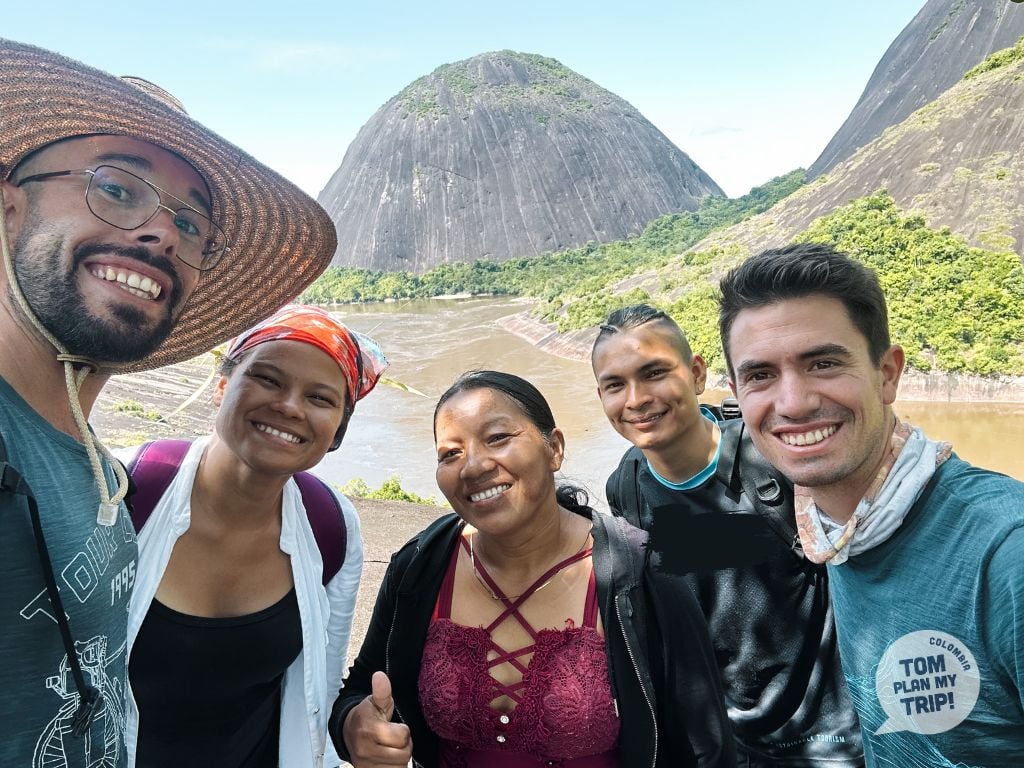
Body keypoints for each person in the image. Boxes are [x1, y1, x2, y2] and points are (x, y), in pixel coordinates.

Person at [0, 40, 337, 766]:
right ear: (10, 207)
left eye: (190, 224)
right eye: (118, 188)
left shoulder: (100, 475)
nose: (159, 230)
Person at [331, 370, 736, 768]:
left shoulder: (641, 574)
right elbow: (360, 690)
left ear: (554, 448)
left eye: (497, 438)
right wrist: (353, 727)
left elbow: (703, 746)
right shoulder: (420, 567)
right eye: (450, 454)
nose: (473, 466)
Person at [717, 242, 1024, 766]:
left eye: (823, 363)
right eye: (761, 375)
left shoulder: (1004, 552)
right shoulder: (836, 528)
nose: (793, 403)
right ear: (737, 393)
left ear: (887, 374)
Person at [591, 304, 863, 767]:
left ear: (697, 374)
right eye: (615, 385)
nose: (636, 399)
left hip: (830, 742)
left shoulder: (775, 458)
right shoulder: (627, 487)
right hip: (726, 743)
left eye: (654, 373)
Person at [120, 305, 384, 767]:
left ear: (336, 431)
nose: (289, 407)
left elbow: (318, 689)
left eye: (320, 398)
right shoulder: (123, 490)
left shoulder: (331, 526)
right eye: (267, 379)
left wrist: (352, 726)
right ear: (223, 387)